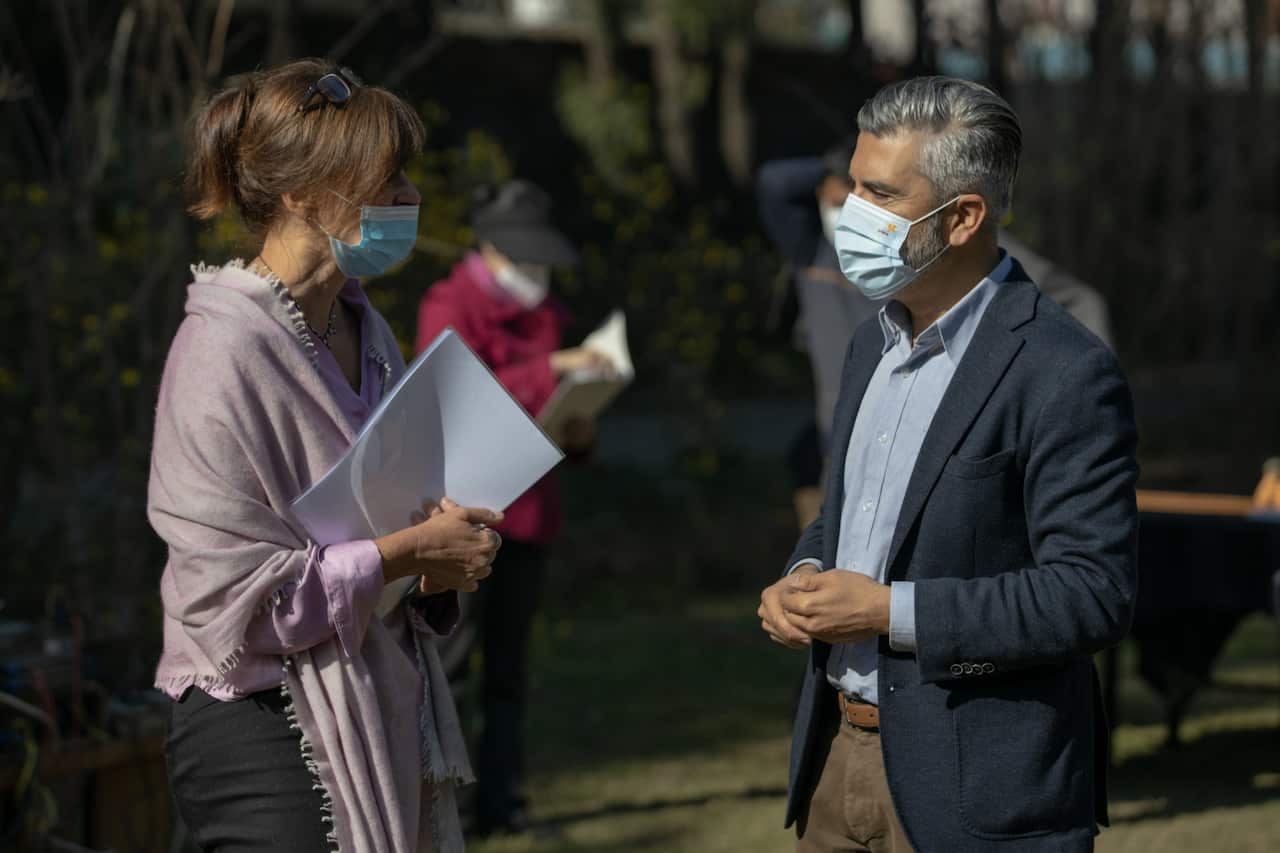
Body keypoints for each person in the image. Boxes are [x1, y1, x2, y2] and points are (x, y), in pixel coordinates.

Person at [757, 76, 1139, 852]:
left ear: (963, 217)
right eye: (851, 187)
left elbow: (1091, 593)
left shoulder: (1064, 369)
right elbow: (849, 515)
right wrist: (802, 574)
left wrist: (886, 611)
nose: (850, 214)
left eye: (878, 193)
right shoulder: (873, 341)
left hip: (978, 793)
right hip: (835, 763)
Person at [151, 59, 503, 852]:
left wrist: (434, 560)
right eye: (385, 179)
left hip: (374, 694)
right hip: (259, 725)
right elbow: (228, 606)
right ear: (302, 197)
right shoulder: (218, 352)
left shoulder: (364, 327)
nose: (410, 198)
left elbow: (378, 515)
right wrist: (401, 552)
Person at [415, 180, 600, 835]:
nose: (533, 272)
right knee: (454, 667)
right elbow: (459, 397)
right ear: (489, 248)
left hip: (529, 514)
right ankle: (452, 806)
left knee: (510, 671)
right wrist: (551, 367)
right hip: (464, 514)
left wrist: (579, 426)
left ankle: (502, 798)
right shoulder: (448, 304)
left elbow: (548, 413)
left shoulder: (547, 308)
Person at [757, 144, 880, 528]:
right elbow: (772, 183)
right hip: (839, 445)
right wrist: (829, 169)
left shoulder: (903, 260)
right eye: (840, 195)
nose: (844, 209)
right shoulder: (814, 256)